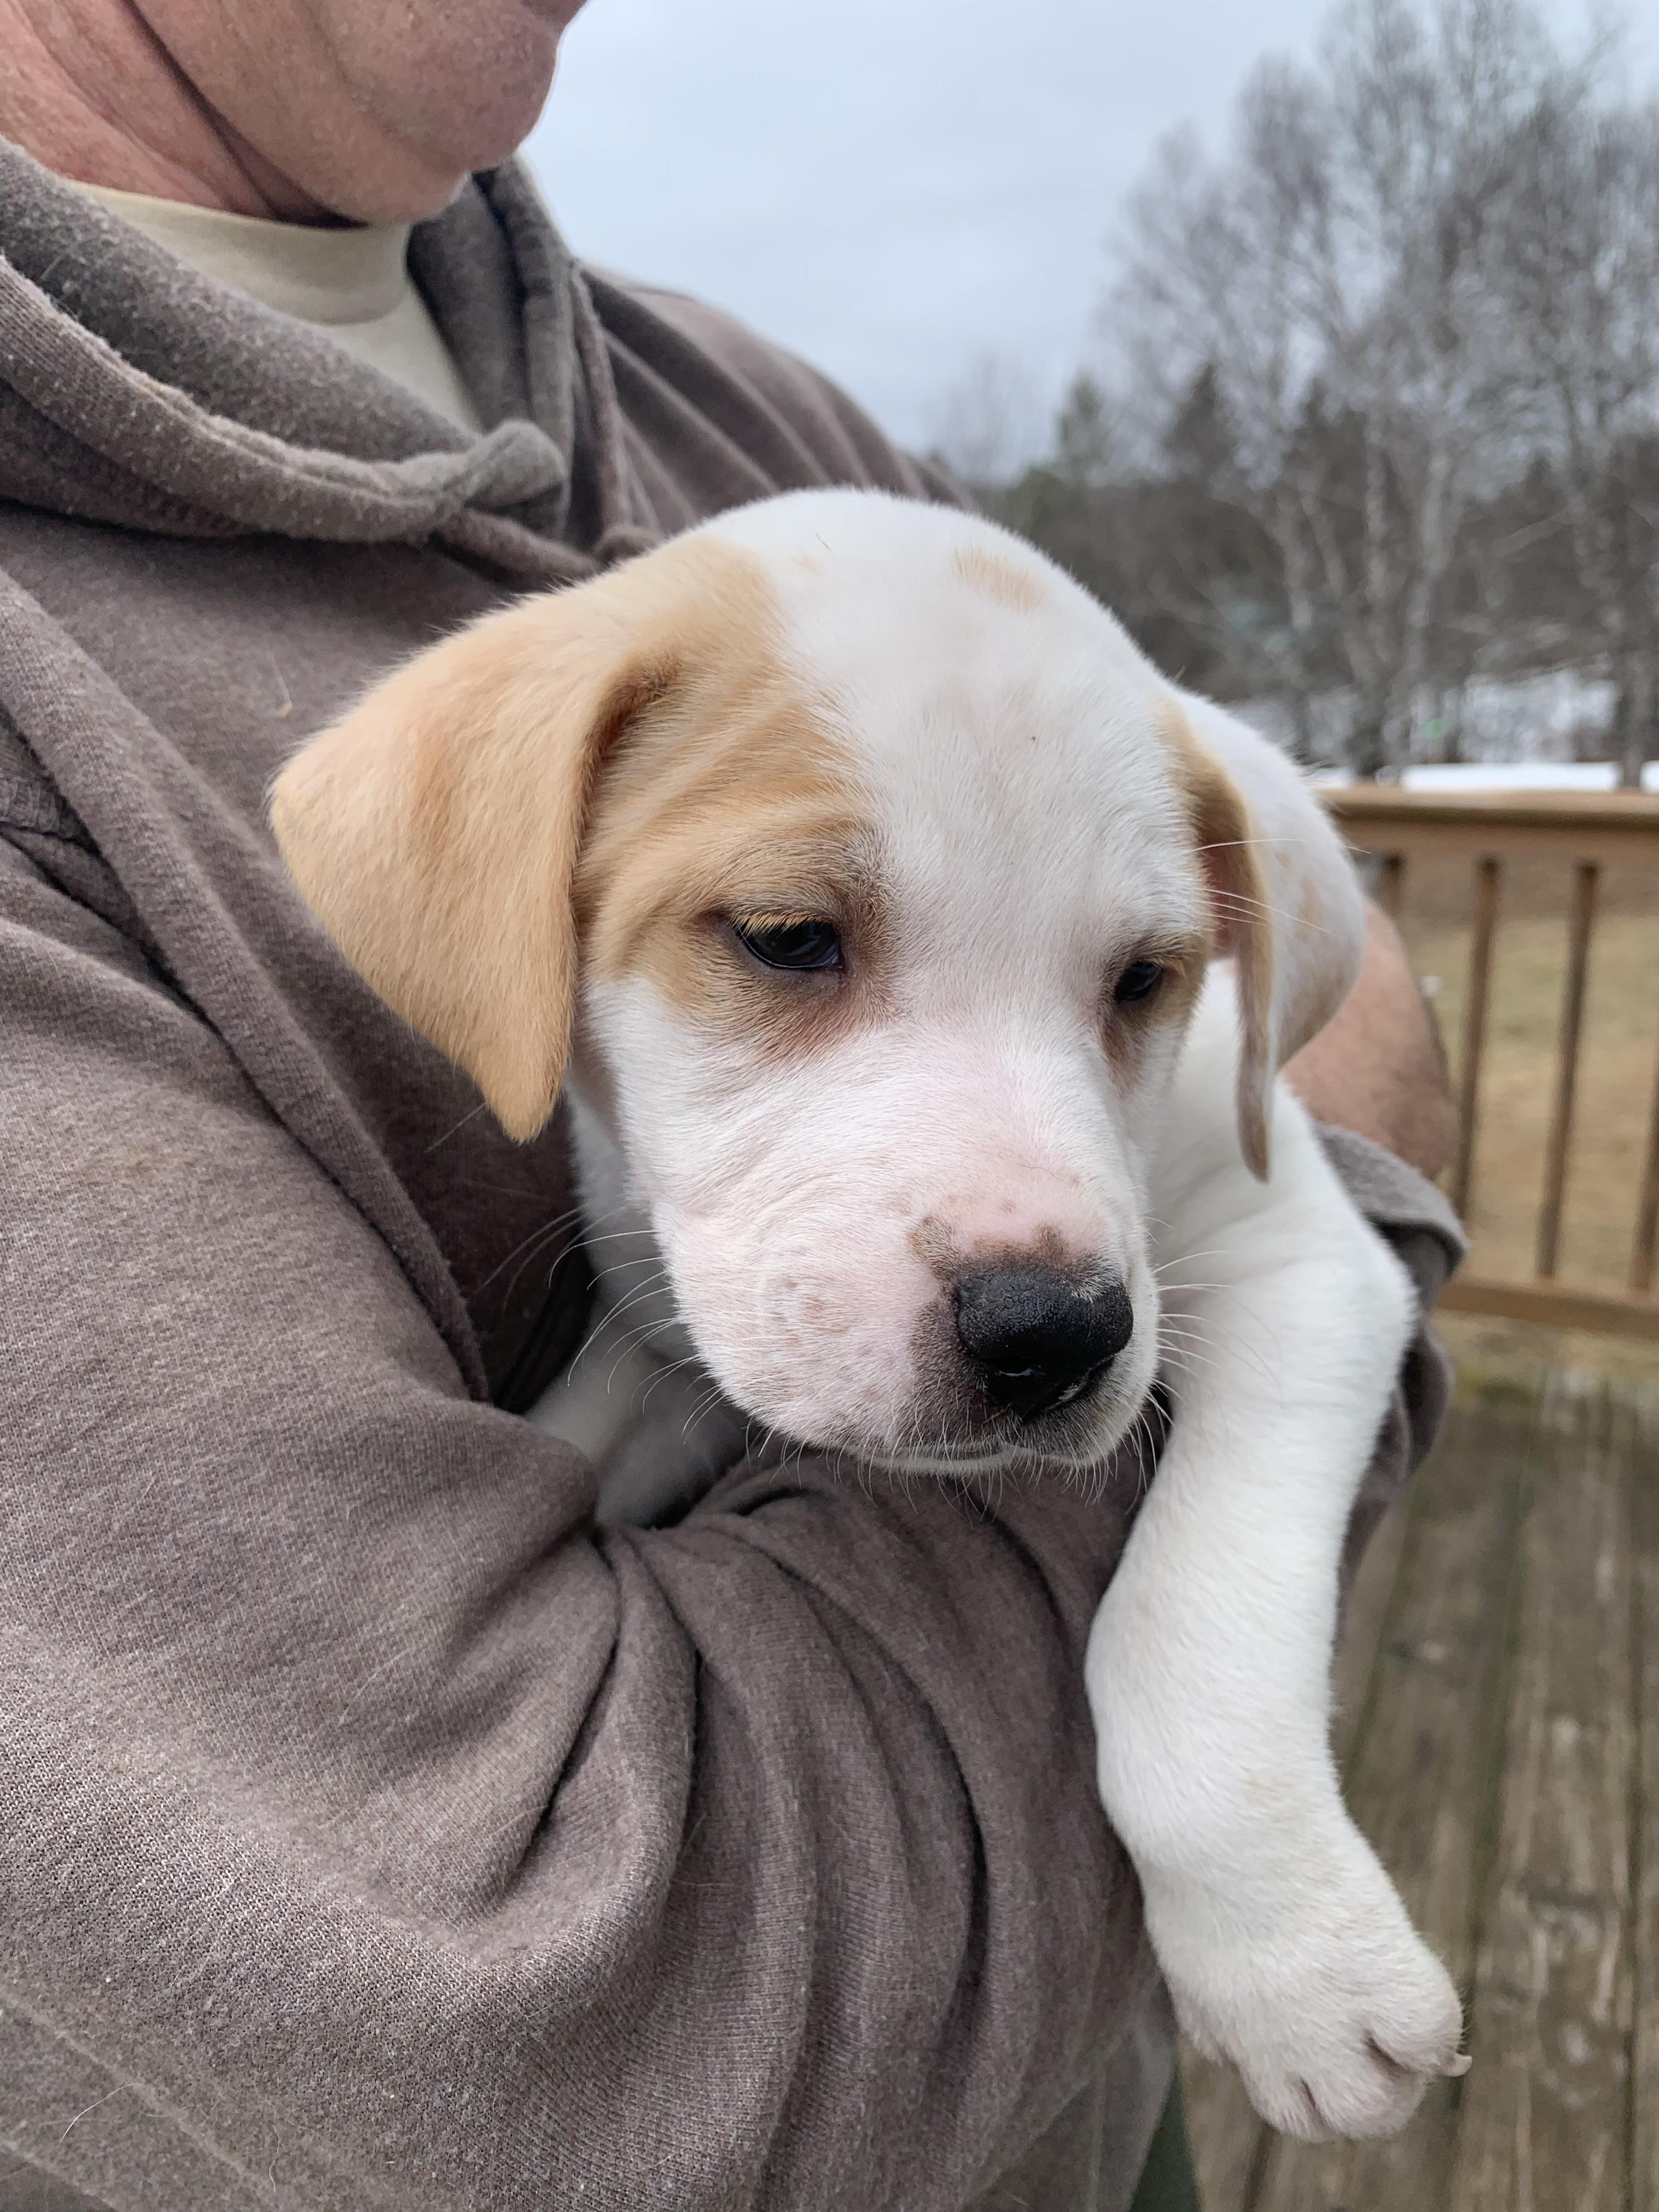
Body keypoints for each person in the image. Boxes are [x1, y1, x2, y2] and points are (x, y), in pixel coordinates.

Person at [0, 5, 1463, 2207]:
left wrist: (1304, 1109)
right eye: (793, 941)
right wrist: (1336, 1139)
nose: (1052, 1207)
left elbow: (1297, 1034)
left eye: (1140, 996)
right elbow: (546, 2038)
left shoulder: (755, 418)